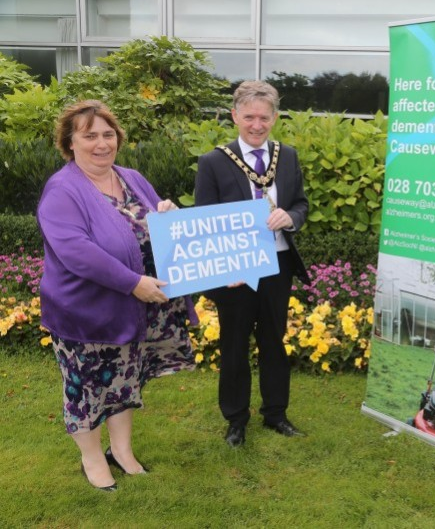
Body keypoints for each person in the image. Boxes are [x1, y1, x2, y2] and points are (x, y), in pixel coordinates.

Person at [38, 100, 196, 491]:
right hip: (86, 312)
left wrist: (167, 214)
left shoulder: (132, 177)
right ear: (69, 142)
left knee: (124, 381)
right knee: (86, 388)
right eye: (89, 135)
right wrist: (132, 282)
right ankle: (92, 459)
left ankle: (122, 452)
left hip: (131, 311)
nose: (101, 143)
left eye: (108, 134)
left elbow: (152, 223)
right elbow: (76, 251)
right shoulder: (63, 189)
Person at [195, 81, 309, 448]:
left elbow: (302, 205)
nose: (257, 125)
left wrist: (289, 217)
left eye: (264, 117)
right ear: (234, 116)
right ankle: (236, 419)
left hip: (277, 265)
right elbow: (204, 220)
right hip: (237, 271)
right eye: (249, 117)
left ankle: (276, 413)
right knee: (233, 344)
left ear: (275, 117)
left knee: (274, 341)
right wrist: (223, 269)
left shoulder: (287, 156)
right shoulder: (214, 161)